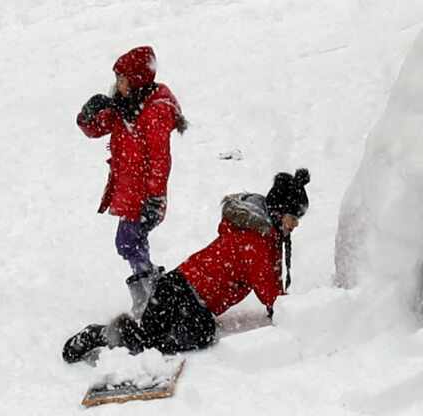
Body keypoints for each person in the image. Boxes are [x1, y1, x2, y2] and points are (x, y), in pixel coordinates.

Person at [61, 168, 310, 363]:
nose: (295, 225)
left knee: (152, 336)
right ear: (278, 213)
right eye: (293, 218)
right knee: (173, 338)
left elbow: (270, 283)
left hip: (177, 287)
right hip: (183, 295)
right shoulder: (256, 242)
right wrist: (293, 316)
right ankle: (99, 334)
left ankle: (109, 335)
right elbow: (271, 292)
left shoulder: (263, 236)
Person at [77, 46, 187, 315]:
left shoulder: (154, 111)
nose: (118, 85)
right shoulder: (124, 106)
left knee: (128, 241)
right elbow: (96, 128)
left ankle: (151, 296)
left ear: (136, 80)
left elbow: (160, 160)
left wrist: (155, 196)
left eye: (122, 79)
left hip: (146, 196)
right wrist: (87, 116)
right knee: (130, 242)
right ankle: (151, 295)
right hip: (129, 192)